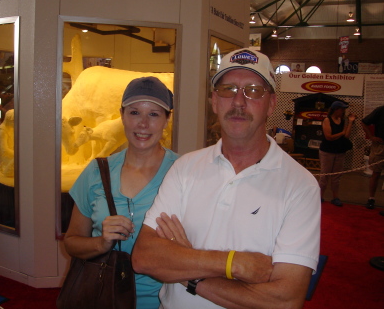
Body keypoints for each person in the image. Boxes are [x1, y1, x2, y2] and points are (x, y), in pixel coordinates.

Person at [132, 48, 321, 309]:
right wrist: (235, 263)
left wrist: (190, 269)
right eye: (228, 89)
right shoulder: (185, 168)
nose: (238, 102)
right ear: (214, 101)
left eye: (253, 90)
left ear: (272, 103)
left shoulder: (300, 186)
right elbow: (144, 257)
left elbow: (285, 300)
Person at [64, 76, 178, 308]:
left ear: (167, 120)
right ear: (122, 116)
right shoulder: (97, 171)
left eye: (154, 114)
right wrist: (101, 243)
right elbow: (72, 242)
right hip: (104, 296)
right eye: (134, 113)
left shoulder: (183, 172)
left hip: (164, 300)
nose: (143, 124)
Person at [318, 101, 356, 206]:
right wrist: (342, 133)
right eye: (342, 109)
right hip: (327, 151)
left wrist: (350, 122)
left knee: (336, 176)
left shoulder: (342, 120)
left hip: (339, 151)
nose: (343, 111)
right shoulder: (327, 120)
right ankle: (320, 196)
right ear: (336, 109)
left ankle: (335, 197)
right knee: (325, 175)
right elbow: (328, 137)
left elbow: (346, 136)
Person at [361, 105, 384, 209]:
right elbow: (364, 122)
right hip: (380, 146)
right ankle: (371, 198)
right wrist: (371, 137)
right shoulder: (380, 110)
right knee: (376, 173)